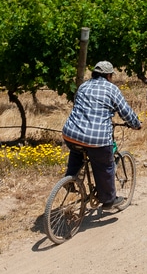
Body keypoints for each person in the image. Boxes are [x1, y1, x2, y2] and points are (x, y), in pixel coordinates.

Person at [61, 60, 142, 210]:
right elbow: (125, 111)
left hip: (70, 133)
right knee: (105, 165)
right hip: (96, 139)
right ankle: (108, 200)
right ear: (108, 75)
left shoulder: (83, 86)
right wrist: (136, 124)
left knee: (77, 150)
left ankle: (70, 179)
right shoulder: (111, 89)